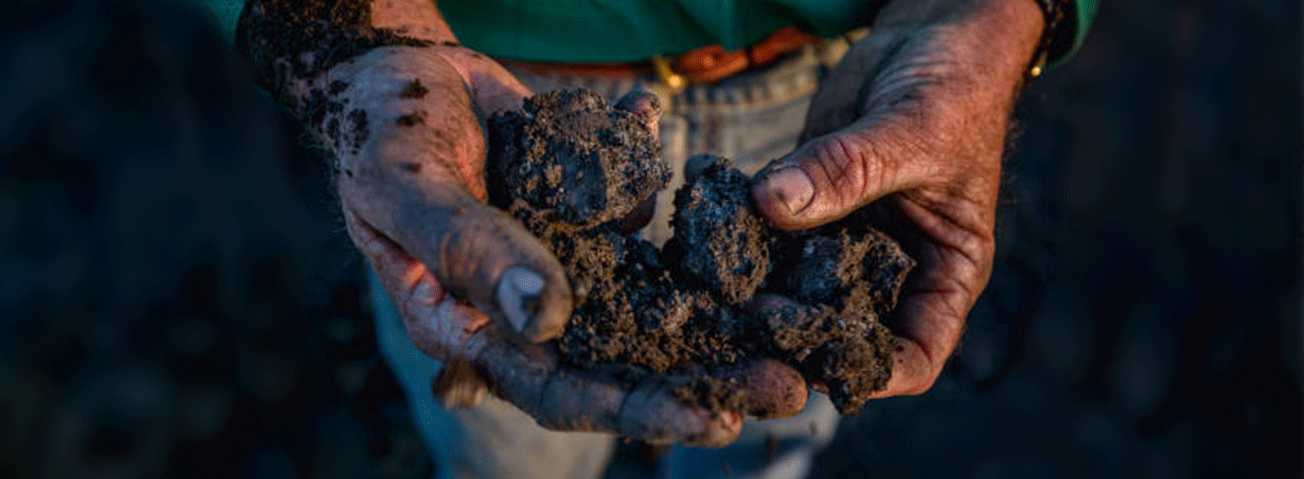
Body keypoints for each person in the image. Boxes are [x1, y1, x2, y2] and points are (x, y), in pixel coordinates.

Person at [202, 0, 1097, 477]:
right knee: (504, 440)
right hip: (477, 99)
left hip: (852, 84)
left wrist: (994, 12)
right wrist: (351, 41)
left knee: (774, 417)